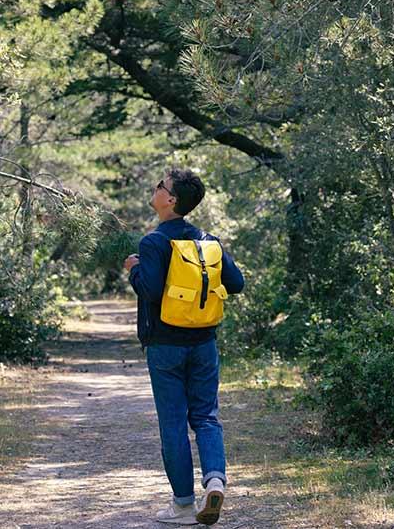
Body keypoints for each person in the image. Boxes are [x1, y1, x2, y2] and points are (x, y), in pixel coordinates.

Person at [123, 168, 245, 526]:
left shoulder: (153, 243)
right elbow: (236, 283)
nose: (156, 188)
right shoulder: (209, 241)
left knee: (173, 423)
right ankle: (215, 480)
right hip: (204, 342)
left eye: (161, 186)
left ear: (171, 200)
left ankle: (182, 506)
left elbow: (150, 290)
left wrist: (134, 268)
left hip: (165, 347)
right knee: (206, 417)